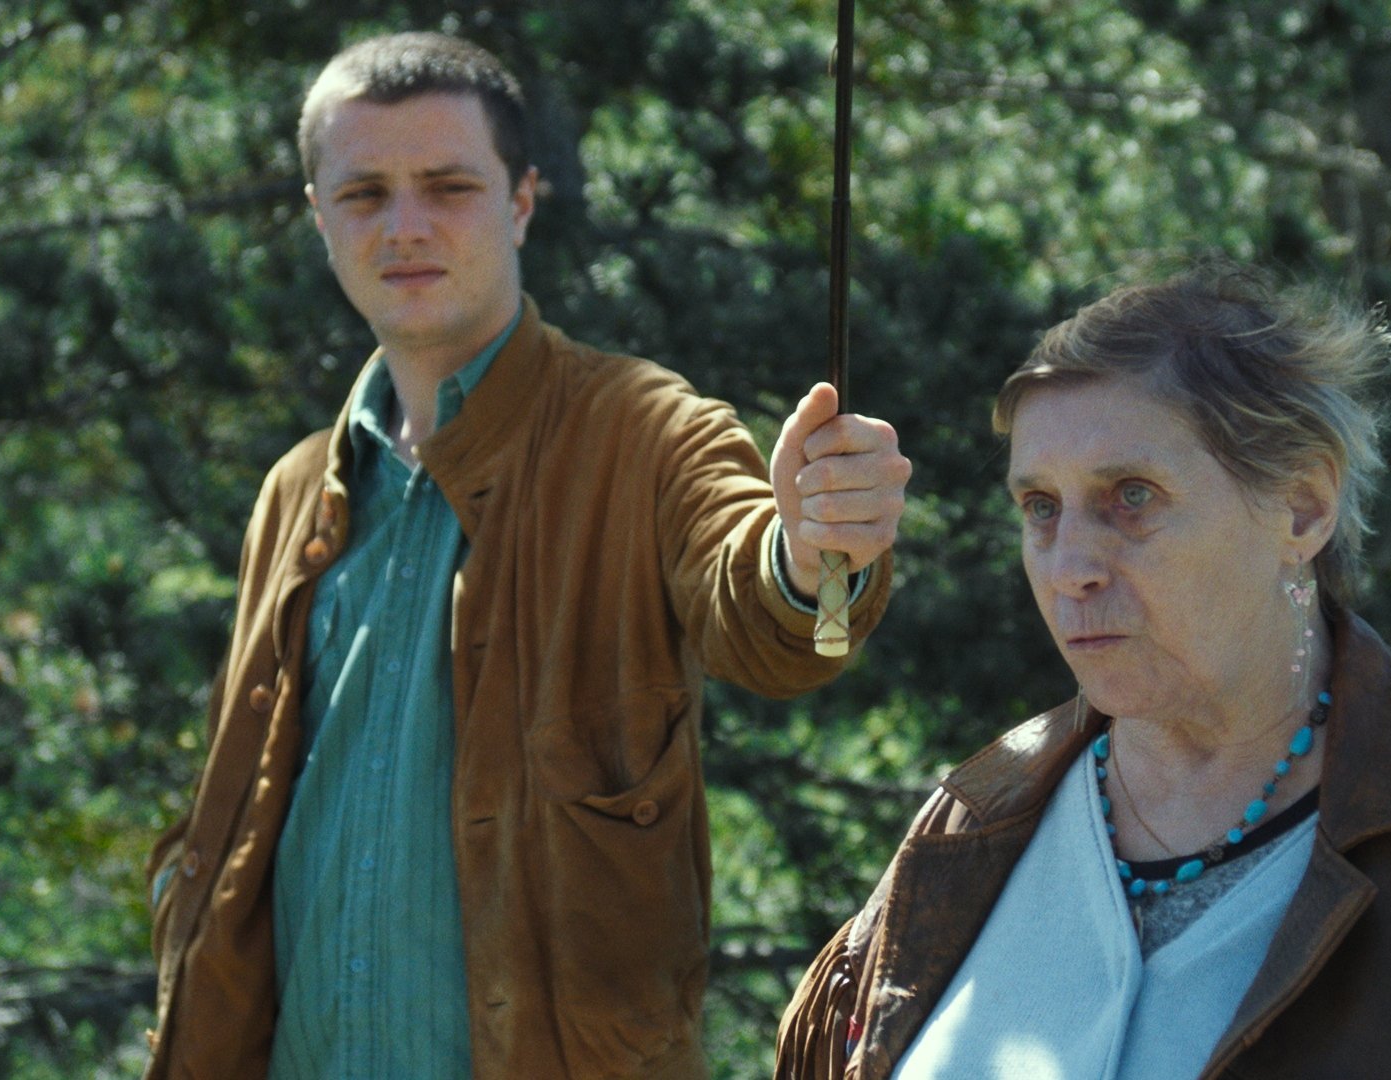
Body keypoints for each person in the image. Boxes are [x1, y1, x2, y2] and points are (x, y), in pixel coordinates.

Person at [774, 262, 1391, 1079]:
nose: (1072, 564)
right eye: (1041, 507)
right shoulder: (966, 837)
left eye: (1132, 496)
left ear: (1302, 508)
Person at [143, 31, 909, 1080]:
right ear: (319, 217)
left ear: (522, 201)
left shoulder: (642, 429)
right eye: (363, 194)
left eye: (448, 186)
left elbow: (762, 610)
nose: (405, 226)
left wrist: (814, 549)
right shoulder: (293, 491)